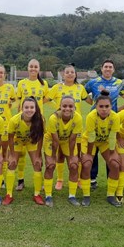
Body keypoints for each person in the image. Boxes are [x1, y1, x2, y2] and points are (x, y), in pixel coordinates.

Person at [85, 59, 124, 190]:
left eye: (110, 67)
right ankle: (92, 179)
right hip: (95, 119)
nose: (108, 69)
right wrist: (93, 105)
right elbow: (83, 94)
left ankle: (111, 177)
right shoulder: (93, 82)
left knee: (110, 148)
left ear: (113, 69)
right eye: (106, 67)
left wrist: (122, 108)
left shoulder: (119, 83)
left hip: (112, 120)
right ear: (101, 68)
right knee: (94, 148)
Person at [49, 63, 89, 191]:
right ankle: (60, 180)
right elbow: (46, 99)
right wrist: (55, 108)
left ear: (75, 74)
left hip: (76, 124)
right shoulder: (57, 87)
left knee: (77, 153)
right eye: (67, 72)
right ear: (63, 74)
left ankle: (77, 179)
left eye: (72, 72)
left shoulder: (80, 88)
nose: (70, 74)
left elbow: (89, 100)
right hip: (61, 124)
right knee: (60, 153)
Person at [80, 91, 121, 207]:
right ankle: (86, 196)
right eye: (101, 106)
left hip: (105, 142)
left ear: (111, 106)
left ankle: (111, 195)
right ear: (96, 107)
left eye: (107, 106)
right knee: (87, 164)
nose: (104, 109)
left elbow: (113, 136)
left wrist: (113, 153)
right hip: (89, 141)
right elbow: (91, 137)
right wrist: (88, 154)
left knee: (115, 164)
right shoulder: (91, 116)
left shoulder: (115, 117)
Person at [15, 59, 50, 191]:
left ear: (39, 69)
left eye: (36, 67)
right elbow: (19, 102)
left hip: (38, 122)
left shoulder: (44, 84)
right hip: (23, 121)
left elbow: (45, 99)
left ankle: (39, 181)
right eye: (31, 66)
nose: (33, 69)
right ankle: (20, 180)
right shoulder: (22, 83)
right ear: (28, 68)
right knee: (22, 152)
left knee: (37, 152)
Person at [43, 96, 83, 207]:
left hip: (67, 140)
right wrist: (52, 156)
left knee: (74, 165)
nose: (67, 109)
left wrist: (71, 157)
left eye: (70, 106)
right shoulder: (53, 118)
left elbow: (73, 139)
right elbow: (55, 141)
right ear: (60, 107)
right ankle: (48, 195)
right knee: (50, 165)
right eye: (64, 106)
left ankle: (72, 196)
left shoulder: (78, 118)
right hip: (51, 140)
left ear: (74, 107)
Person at [4, 97, 45, 205]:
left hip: (31, 141)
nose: (29, 110)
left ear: (36, 108)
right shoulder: (14, 120)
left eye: (32, 107)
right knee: (12, 164)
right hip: (18, 141)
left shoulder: (40, 119)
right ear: (22, 108)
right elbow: (10, 138)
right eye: (26, 107)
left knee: (37, 164)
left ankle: (37, 194)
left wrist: (38, 154)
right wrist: (12, 155)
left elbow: (40, 138)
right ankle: (9, 195)